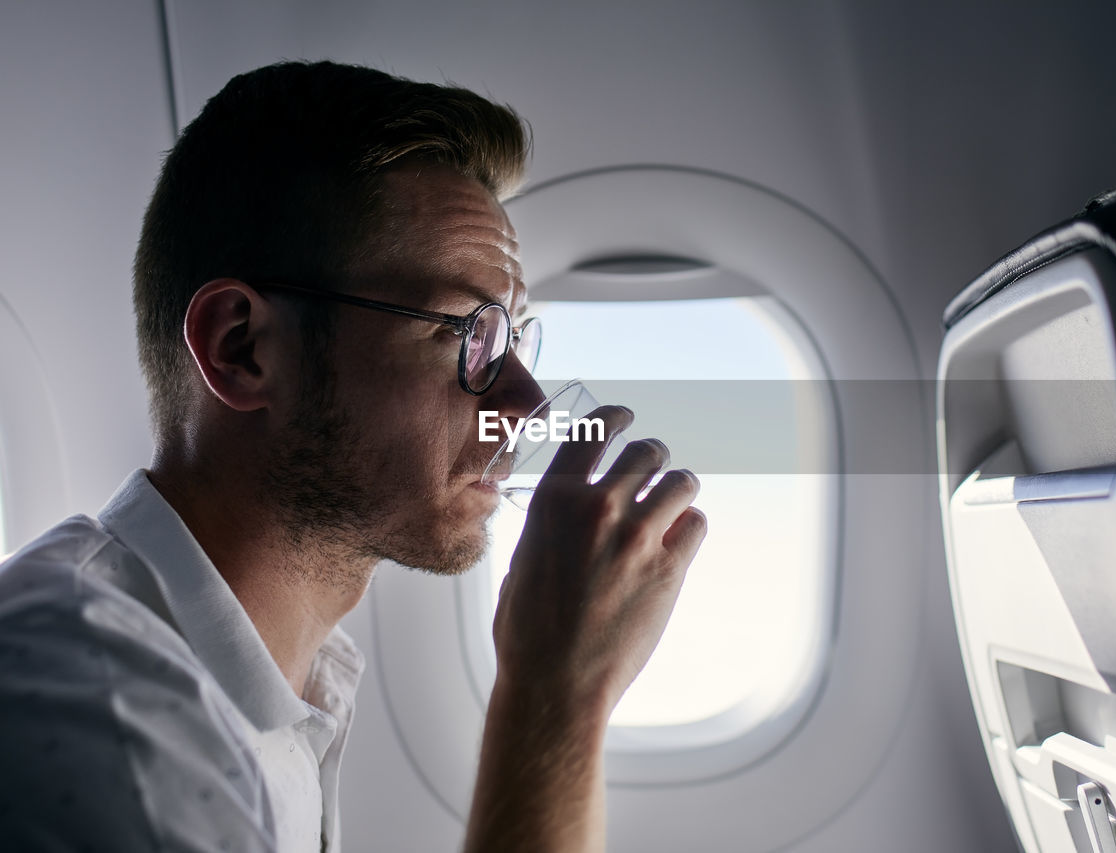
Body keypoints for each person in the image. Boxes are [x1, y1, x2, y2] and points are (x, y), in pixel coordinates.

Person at [0, 60, 706, 852]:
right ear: (244, 349)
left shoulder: (288, 685)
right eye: (466, 334)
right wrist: (556, 693)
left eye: (513, 335)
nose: (528, 405)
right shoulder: (103, 716)